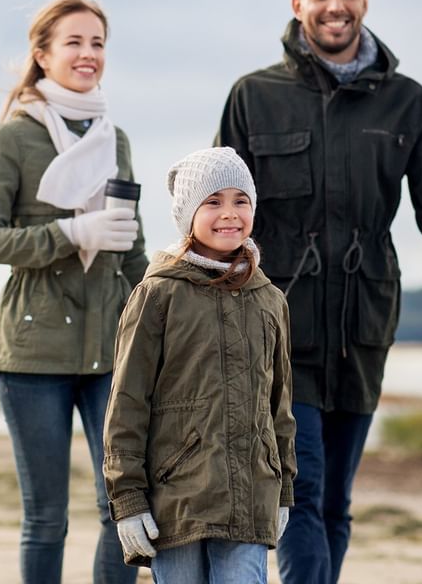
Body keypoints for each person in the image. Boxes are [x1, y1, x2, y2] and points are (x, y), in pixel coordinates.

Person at [216, 0, 422, 583]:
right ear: (299, 6)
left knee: (337, 502)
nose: (334, 5)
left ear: (364, 2)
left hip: (365, 323)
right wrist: (202, 297)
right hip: (278, 324)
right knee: (303, 493)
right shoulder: (254, 97)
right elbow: (217, 212)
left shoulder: (405, 102)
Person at [0, 0, 146, 584]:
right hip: (33, 352)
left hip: (110, 350)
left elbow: (132, 247)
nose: (88, 54)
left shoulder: (114, 139)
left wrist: (163, 313)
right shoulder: (14, 139)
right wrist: (69, 232)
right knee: (46, 519)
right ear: (42, 55)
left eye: (98, 43)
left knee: (122, 510)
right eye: (74, 42)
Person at [103, 146, 297, 584]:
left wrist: (282, 489)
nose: (229, 213)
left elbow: (279, 407)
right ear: (188, 214)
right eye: (213, 202)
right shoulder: (157, 295)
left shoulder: (270, 299)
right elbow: (127, 404)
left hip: (251, 497)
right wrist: (128, 500)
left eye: (240, 200)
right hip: (177, 499)